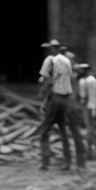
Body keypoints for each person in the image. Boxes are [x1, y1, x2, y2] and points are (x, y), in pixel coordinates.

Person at [34, 39, 85, 171]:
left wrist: (44, 96)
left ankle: (45, 162)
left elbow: (47, 82)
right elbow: (76, 74)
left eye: (48, 49)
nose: (46, 52)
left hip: (56, 100)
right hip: (67, 99)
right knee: (68, 131)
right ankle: (77, 163)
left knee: (45, 131)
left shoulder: (51, 61)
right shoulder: (69, 60)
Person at [76, 62, 96, 159]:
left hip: (94, 107)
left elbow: (93, 97)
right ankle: (90, 152)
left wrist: (93, 111)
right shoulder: (82, 80)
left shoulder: (90, 80)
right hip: (87, 107)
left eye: (81, 70)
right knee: (89, 130)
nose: (79, 71)